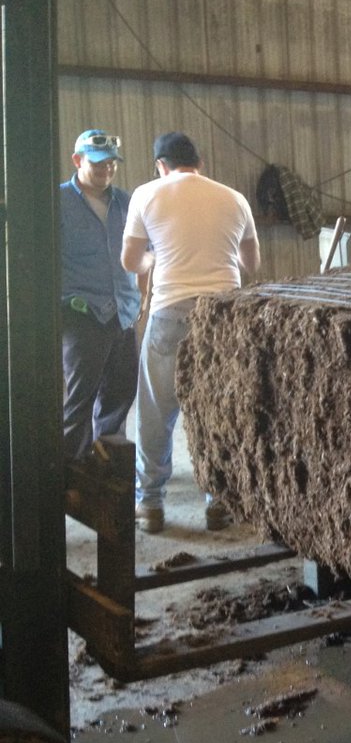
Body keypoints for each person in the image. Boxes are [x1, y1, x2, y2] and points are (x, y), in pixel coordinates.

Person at [120, 132, 260, 533]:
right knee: (219, 408)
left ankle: (149, 505)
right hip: (223, 317)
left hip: (170, 313)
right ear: (198, 163)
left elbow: (131, 260)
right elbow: (251, 264)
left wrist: (155, 257)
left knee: (155, 413)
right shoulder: (234, 199)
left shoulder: (147, 194)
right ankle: (219, 503)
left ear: (161, 165)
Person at [60, 129, 141, 460]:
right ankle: (71, 472)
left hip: (122, 312)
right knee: (80, 396)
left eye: (111, 163)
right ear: (77, 161)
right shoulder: (59, 202)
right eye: (98, 164)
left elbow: (140, 252)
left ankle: (107, 466)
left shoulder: (126, 202)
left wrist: (141, 299)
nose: (107, 170)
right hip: (82, 313)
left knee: (121, 392)